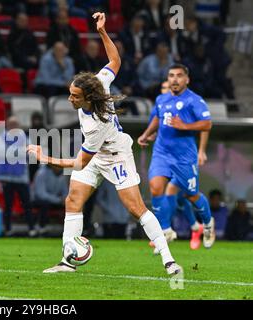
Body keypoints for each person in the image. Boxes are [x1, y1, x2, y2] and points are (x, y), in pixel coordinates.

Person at [27, 12, 182, 276]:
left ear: (87, 97)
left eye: (75, 96)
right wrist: (101, 32)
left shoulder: (95, 124)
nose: (70, 99)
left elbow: (79, 162)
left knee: (135, 208)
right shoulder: (100, 82)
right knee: (73, 199)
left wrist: (46, 158)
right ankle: (67, 262)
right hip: (94, 155)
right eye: (70, 93)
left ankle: (169, 260)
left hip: (115, 154)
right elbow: (115, 60)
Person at [137, 63, 216, 253]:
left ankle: (207, 223)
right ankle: (165, 231)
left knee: (191, 194)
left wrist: (185, 127)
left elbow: (207, 124)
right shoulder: (161, 99)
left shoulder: (194, 100)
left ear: (186, 79)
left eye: (179, 75)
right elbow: (157, 117)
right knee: (156, 188)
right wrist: (146, 134)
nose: (174, 79)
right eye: (171, 75)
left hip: (184, 157)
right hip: (161, 152)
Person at [0, 116, 35, 237]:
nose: (13, 127)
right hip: (5, 177)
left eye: (15, 124)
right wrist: (20, 152)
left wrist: (14, 152)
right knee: (8, 205)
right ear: (7, 125)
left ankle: (31, 229)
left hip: (22, 177)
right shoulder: (0, 138)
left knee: (27, 204)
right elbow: (3, 154)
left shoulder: (25, 138)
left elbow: (31, 153)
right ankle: (7, 229)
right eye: (11, 124)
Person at [31, 164, 68, 236]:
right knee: (44, 204)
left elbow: (65, 192)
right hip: (38, 200)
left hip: (55, 200)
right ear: (52, 165)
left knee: (71, 205)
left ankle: (69, 230)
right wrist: (59, 200)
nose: (59, 166)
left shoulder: (63, 176)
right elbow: (41, 194)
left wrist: (65, 200)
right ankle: (41, 227)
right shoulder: (41, 173)